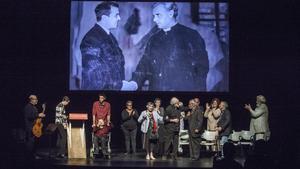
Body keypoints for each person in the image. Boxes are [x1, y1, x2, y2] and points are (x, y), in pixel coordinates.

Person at [131, 2, 209, 91]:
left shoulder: (192, 36)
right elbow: (143, 66)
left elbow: (201, 70)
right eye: (154, 16)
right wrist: (133, 84)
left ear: (171, 14)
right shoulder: (153, 39)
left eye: (158, 15)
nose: (154, 20)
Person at [80, 1, 136, 90]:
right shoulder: (91, 39)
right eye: (116, 15)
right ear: (105, 18)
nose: (119, 18)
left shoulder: (109, 36)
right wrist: (121, 86)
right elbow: (94, 77)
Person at [92, 93, 111, 159]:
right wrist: (94, 123)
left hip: (104, 122)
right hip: (97, 122)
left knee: (103, 137)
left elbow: (108, 114)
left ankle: (104, 151)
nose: (100, 99)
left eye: (102, 98)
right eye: (100, 98)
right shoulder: (95, 104)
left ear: (104, 98)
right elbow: (94, 114)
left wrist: (108, 122)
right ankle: (96, 151)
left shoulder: (108, 105)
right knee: (95, 137)